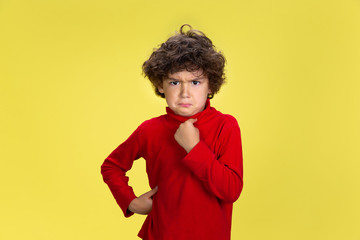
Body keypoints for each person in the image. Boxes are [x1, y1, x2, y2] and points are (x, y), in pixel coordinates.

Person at [101, 24, 243, 240]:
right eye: (175, 82)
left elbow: (231, 191)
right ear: (160, 85)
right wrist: (130, 201)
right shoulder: (150, 130)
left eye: (195, 82)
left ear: (210, 86)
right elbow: (111, 166)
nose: (185, 93)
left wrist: (194, 148)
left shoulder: (226, 126)